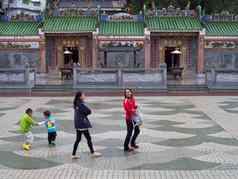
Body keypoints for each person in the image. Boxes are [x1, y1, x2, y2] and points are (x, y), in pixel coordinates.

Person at [72, 91, 102, 159]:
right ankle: (92, 153)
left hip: (78, 124)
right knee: (88, 138)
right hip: (82, 124)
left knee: (78, 139)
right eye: (83, 95)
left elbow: (83, 112)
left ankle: (73, 154)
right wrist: (85, 114)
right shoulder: (80, 104)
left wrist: (84, 114)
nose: (84, 96)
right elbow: (88, 111)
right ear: (80, 97)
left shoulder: (76, 103)